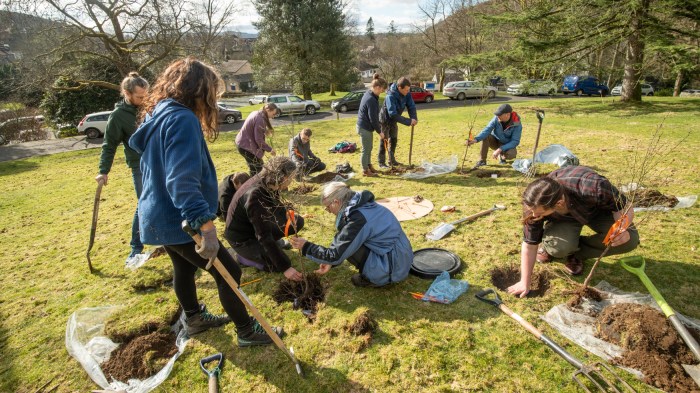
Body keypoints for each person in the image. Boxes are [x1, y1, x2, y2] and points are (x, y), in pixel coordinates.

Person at [129, 57, 280, 346]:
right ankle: (247, 331)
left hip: (156, 215)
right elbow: (181, 180)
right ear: (199, 90)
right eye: (212, 91)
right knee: (229, 272)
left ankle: (194, 317)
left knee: (183, 268)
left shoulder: (158, 112)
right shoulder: (181, 118)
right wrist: (206, 228)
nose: (213, 100)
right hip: (179, 219)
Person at [507, 166, 639, 298]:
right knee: (558, 249)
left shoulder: (595, 186)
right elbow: (529, 244)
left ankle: (578, 253)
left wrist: (621, 227)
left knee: (629, 240)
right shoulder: (534, 203)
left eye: (540, 213)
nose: (534, 215)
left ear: (559, 203)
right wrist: (525, 281)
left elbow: (623, 206)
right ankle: (557, 248)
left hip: (595, 210)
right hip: (563, 219)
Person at [288, 182, 413, 287]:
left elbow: (335, 254)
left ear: (336, 202)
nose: (328, 212)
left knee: (349, 244)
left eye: (327, 207)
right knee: (348, 240)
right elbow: (343, 239)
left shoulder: (358, 219)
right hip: (401, 258)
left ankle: (376, 279)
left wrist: (306, 246)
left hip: (391, 269)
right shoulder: (362, 205)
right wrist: (331, 263)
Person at [95, 72, 149, 263]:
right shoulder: (118, 116)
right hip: (140, 167)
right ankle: (136, 248)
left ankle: (175, 241)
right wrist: (103, 171)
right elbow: (109, 145)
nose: (144, 100)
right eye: (139, 97)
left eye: (146, 95)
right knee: (144, 204)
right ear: (127, 93)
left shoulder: (150, 107)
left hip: (161, 162)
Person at [224, 156, 304, 280]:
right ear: (283, 178)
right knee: (278, 265)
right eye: (291, 178)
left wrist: (286, 213)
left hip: (256, 226)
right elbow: (263, 235)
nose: (292, 181)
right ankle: (242, 257)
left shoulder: (269, 181)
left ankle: (272, 247)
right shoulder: (255, 196)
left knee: (297, 222)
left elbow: (275, 204)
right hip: (243, 239)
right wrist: (285, 268)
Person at [378, 76, 417, 168]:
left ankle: (391, 160)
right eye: (406, 90)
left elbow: (411, 106)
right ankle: (381, 162)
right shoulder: (390, 96)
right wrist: (408, 121)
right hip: (385, 120)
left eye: (408, 89)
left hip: (394, 120)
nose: (408, 91)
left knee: (394, 139)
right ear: (399, 88)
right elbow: (392, 114)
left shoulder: (406, 94)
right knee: (385, 141)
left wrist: (414, 118)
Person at [467, 103, 522, 169]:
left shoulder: (517, 124)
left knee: (511, 154)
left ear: (507, 115)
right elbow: (487, 129)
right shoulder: (496, 118)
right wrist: (476, 139)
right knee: (486, 136)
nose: (497, 116)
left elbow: (515, 141)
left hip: (506, 144)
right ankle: (482, 160)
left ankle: (502, 156)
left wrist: (500, 149)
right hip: (495, 141)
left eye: (500, 115)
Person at [356, 73, 388, 177]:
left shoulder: (370, 94)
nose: (382, 92)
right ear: (377, 87)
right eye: (382, 90)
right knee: (366, 149)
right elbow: (373, 119)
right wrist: (380, 132)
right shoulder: (371, 100)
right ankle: (365, 171)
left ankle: (369, 166)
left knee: (369, 147)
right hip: (364, 127)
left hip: (365, 126)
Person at [235, 103, 278, 175]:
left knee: (257, 167)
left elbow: (253, 127)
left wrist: (264, 130)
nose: (273, 117)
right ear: (268, 110)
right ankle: (252, 185)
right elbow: (258, 140)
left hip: (242, 143)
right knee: (257, 170)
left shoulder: (257, 112)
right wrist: (270, 149)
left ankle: (253, 184)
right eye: (273, 114)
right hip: (246, 146)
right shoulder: (260, 119)